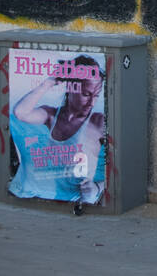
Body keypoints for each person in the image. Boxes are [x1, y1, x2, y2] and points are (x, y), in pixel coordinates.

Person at [8, 54, 106, 205]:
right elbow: (21, 113)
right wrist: (48, 83)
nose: (91, 102)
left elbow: (123, 167)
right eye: (86, 94)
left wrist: (98, 188)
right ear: (71, 87)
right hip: (42, 197)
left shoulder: (98, 122)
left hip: (77, 201)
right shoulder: (51, 115)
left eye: (96, 95)